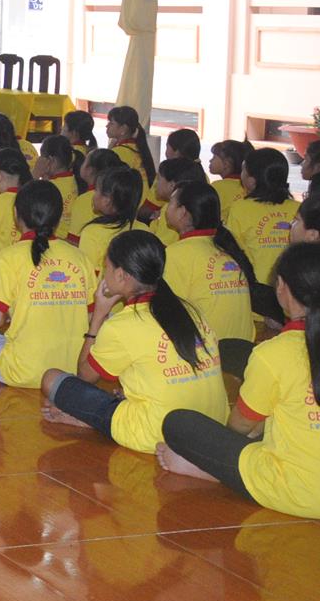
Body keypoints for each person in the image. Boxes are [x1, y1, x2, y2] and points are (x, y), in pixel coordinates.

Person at [158, 234, 319, 518]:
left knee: (179, 422)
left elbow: (240, 426)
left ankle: (213, 471)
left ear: (282, 287)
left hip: (296, 491)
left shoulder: (275, 353)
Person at [41, 230, 228, 455]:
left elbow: (85, 376)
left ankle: (91, 420)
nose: (104, 274)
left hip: (156, 432)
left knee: (52, 379)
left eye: (107, 267)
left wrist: (98, 316)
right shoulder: (191, 310)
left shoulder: (121, 325)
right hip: (212, 426)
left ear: (121, 275)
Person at [0, 180, 93, 387]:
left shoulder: (7, 257)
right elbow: (91, 318)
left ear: (15, 214)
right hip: (71, 371)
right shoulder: (80, 258)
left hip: (21, 371)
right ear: (59, 218)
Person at [159, 179, 260, 376]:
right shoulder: (227, 248)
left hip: (206, 360)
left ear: (183, 212)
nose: (166, 208)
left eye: (171, 203)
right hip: (241, 356)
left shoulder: (177, 254)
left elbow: (166, 315)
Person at [225, 146, 301, 283]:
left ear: (252, 180)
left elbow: (232, 249)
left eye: (243, 170)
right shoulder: (298, 208)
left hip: (255, 284)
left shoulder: (240, 208)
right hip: (291, 284)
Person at [69, 162, 146, 273]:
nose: (93, 195)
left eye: (96, 190)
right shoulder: (144, 230)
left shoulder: (92, 233)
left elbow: (87, 275)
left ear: (107, 200)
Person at [208, 139, 251, 216]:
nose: (210, 160)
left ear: (226, 164)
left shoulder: (217, 187)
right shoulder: (249, 186)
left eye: (214, 157)